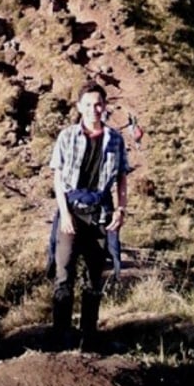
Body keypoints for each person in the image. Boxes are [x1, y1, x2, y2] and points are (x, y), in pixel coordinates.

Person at [49, 81, 131, 351]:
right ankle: (60, 336)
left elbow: (121, 178)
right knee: (64, 271)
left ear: (105, 107)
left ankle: (89, 337)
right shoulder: (67, 136)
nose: (94, 109)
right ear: (79, 107)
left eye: (98, 104)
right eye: (88, 104)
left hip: (101, 211)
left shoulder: (115, 140)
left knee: (94, 275)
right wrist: (64, 214)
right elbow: (58, 177)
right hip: (71, 209)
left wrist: (121, 209)